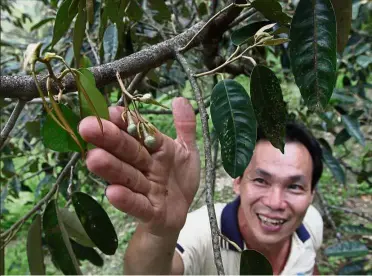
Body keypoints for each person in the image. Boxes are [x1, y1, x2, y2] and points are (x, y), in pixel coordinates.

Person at [78, 97, 324, 275]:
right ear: (237, 182)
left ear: (311, 194)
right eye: (261, 180)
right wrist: (159, 232)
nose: (275, 202)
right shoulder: (202, 234)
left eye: (294, 187)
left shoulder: (311, 224)